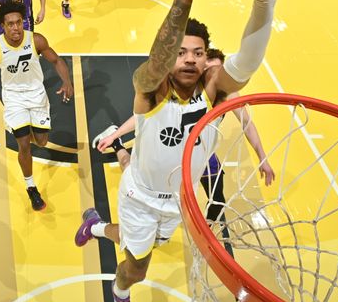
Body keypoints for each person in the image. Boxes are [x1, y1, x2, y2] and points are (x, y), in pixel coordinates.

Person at [75, 0, 290, 302]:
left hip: (179, 200)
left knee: (143, 244)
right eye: (181, 53)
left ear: (208, 59)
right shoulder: (152, 90)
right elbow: (156, 64)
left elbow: (247, 60)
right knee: (136, 269)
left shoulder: (214, 94)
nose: (189, 60)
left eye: (199, 53)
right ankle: (119, 294)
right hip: (140, 196)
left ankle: (96, 224)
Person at [91, 47, 276, 223]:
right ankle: (118, 146)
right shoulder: (180, 89)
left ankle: (205, 234)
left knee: (217, 199)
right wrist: (116, 135)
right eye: (210, 70)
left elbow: (247, 123)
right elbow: (143, 117)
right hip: (171, 150)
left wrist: (263, 158)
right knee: (133, 173)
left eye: (218, 72)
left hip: (202, 156)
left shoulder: (226, 92)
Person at [0, 1, 74, 211]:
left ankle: (27, 127)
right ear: (3, 26)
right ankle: (31, 188)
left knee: (41, 141)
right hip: (13, 99)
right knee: (24, 144)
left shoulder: (36, 40)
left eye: (19, 23)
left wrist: (66, 81)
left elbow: (56, 60)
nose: (15, 28)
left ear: (24, 22)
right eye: (10, 24)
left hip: (37, 95)